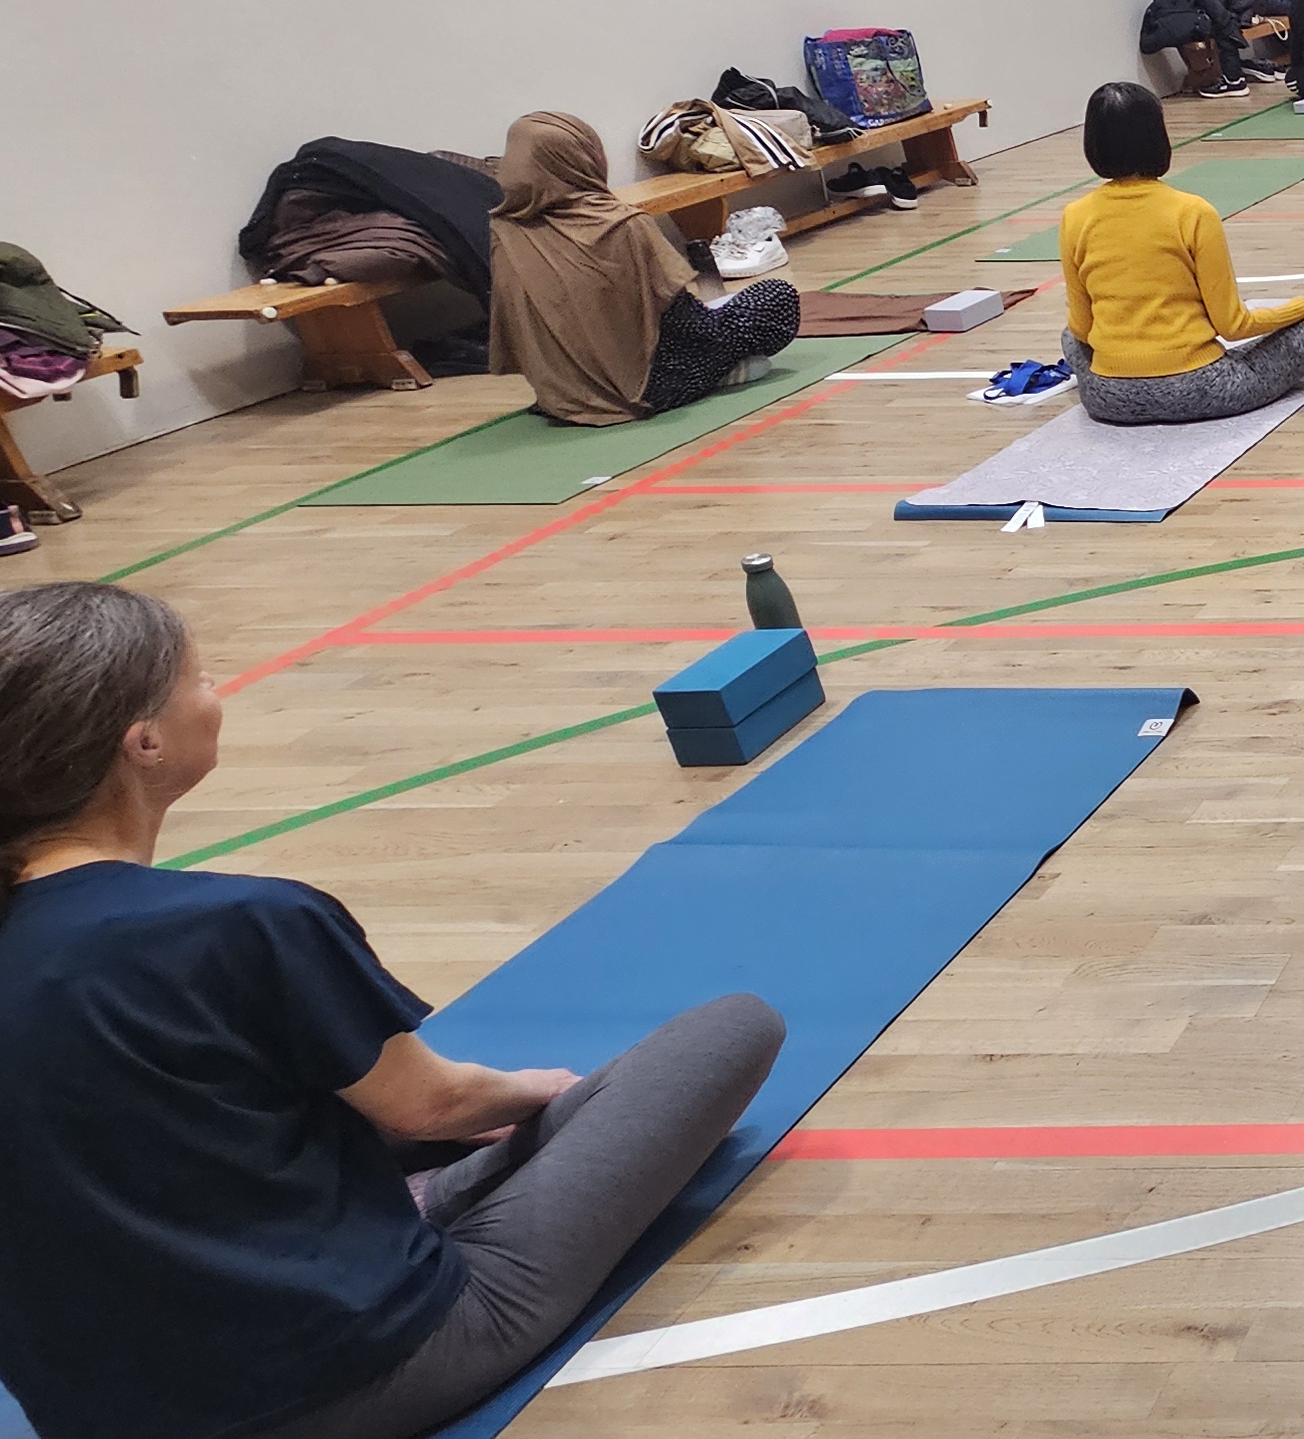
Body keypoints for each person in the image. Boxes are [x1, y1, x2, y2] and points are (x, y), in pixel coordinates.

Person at [0, 581, 783, 1439]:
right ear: (142, 743)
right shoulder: (238, 922)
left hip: (91, 1413)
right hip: (346, 1374)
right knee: (732, 1028)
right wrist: (541, 1095)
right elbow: (437, 1105)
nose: (214, 692)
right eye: (201, 679)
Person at [1055, 82, 1304, 427]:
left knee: (1068, 336)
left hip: (1107, 398)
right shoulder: (1193, 212)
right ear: (1159, 137)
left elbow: (1081, 329)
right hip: (1201, 389)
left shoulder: (1074, 216)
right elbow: (1233, 326)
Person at [483, 112, 798, 425]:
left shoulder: (505, 231)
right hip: (652, 387)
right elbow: (686, 322)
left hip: (559, 398)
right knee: (776, 298)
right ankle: (718, 372)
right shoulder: (622, 224)